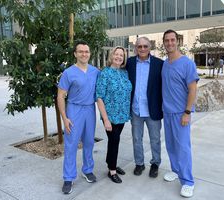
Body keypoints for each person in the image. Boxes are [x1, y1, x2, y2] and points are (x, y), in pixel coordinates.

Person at [57, 41, 99, 194]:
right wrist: (64, 117)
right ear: (75, 54)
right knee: (71, 144)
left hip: (90, 109)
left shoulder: (95, 71)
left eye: (86, 51)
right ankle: (68, 177)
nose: (84, 54)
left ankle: (87, 170)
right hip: (74, 110)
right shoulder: (69, 73)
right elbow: (60, 96)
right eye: (80, 51)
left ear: (90, 53)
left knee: (89, 142)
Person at [161, 29, 199, 198]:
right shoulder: (165, 63)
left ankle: (188, 181)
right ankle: (176, 170)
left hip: (181, 113)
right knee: (171, 146)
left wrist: (187, 112)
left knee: (183, 147)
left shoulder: (187, 63)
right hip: (167, 112)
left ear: (178, 42)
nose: (169, 43)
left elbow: (192, 89)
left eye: (172, 40)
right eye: (166, 40)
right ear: (163, 43)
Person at [126, 37, 164, 178]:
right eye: (139, 46)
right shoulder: (129, 63)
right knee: (136, 138)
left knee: (155, 139)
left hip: (152, 109)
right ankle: (139, 163)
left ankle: (155, 163)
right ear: (136, 48)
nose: (142, 49)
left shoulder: (159, 64)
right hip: (136, 109)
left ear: (150, 47)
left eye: (145, 46)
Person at [96, 46, 132, 183]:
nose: (118, 57)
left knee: (114, 141)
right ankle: (112, 170)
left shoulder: (124, 73)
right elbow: (99, 97)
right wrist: (105, 119)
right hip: (110, 116)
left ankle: (111, 162)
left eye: (121, 55)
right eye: (116, 54)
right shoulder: (105, 73)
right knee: (114, 141)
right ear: (112, 56)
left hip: (122, 115)